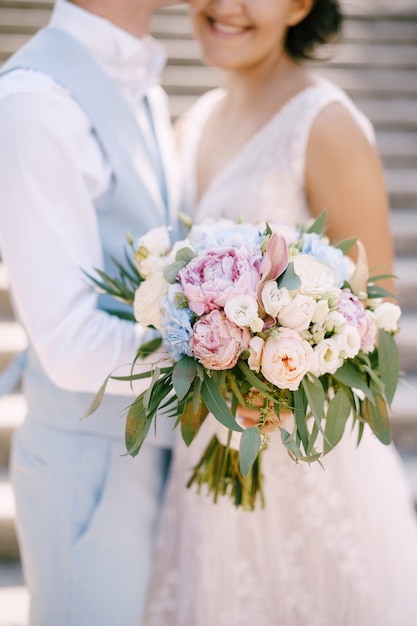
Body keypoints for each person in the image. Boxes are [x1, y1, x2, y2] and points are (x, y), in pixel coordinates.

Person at [144, 0, 417, 624]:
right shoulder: (194, 122)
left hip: (306, 467)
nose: (226, 7)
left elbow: (375, 312)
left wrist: (279, 381)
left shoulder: (326, 126)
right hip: (207, 460)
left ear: (300, 5)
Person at [0, 0, 182, 624]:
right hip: (88, 469)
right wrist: (226, 362)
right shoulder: (35, 100)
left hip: (158, 451)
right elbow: (70, 340)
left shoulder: (143, 86)